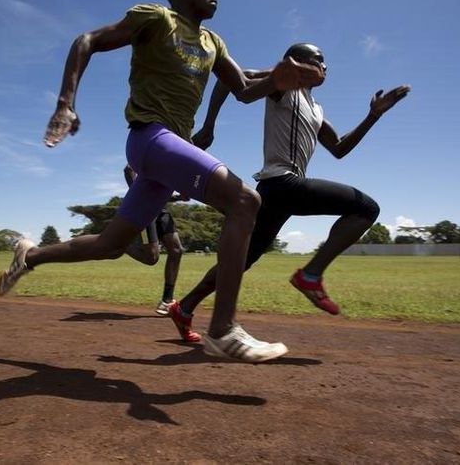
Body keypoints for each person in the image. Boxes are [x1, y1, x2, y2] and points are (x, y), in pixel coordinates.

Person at [0, 0, 323, 363]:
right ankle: (223, 329)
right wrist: (65, 103)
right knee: (245, 201)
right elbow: (85, 41)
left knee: (110, 244)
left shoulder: (213, 42)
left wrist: (278, 80)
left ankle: (30, 255)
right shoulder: (155, 18)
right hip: (150, 138)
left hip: (166, 154)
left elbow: (244, 89)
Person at [169, 43, 409, 336]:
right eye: (318, 60)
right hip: (282, 182)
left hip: (276, 193)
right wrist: (209, 126)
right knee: (366, 208)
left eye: (325, 61)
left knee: (241, 261)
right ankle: (310, 275)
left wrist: (373, 116)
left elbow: (339, 148)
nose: (324, 66)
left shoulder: (315, 108)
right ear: (296, 63)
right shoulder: (281, 85)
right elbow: (230, 79)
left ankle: (184, 308)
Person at [122, 164, 186, 316]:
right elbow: (128, 169)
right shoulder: (148, 154)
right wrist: (140, 195)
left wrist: (178, 197)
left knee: (177, 250)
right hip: (145, 212)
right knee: (151, 258)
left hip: (161, 211)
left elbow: (160, 193)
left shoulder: (168, 166)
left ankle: (167, 300)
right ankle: (121, 244)